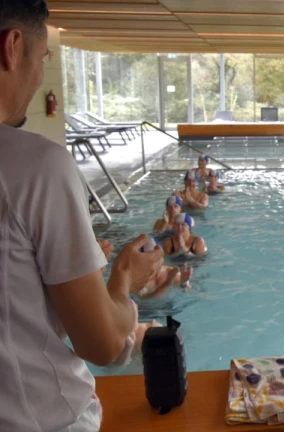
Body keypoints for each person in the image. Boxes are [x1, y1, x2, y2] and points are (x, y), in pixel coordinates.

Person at [0, 2, 165, 430]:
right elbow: (104, 345)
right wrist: (124, 280)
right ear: (12, 48)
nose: (40, 77)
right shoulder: (36, 166)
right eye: (43, 58)